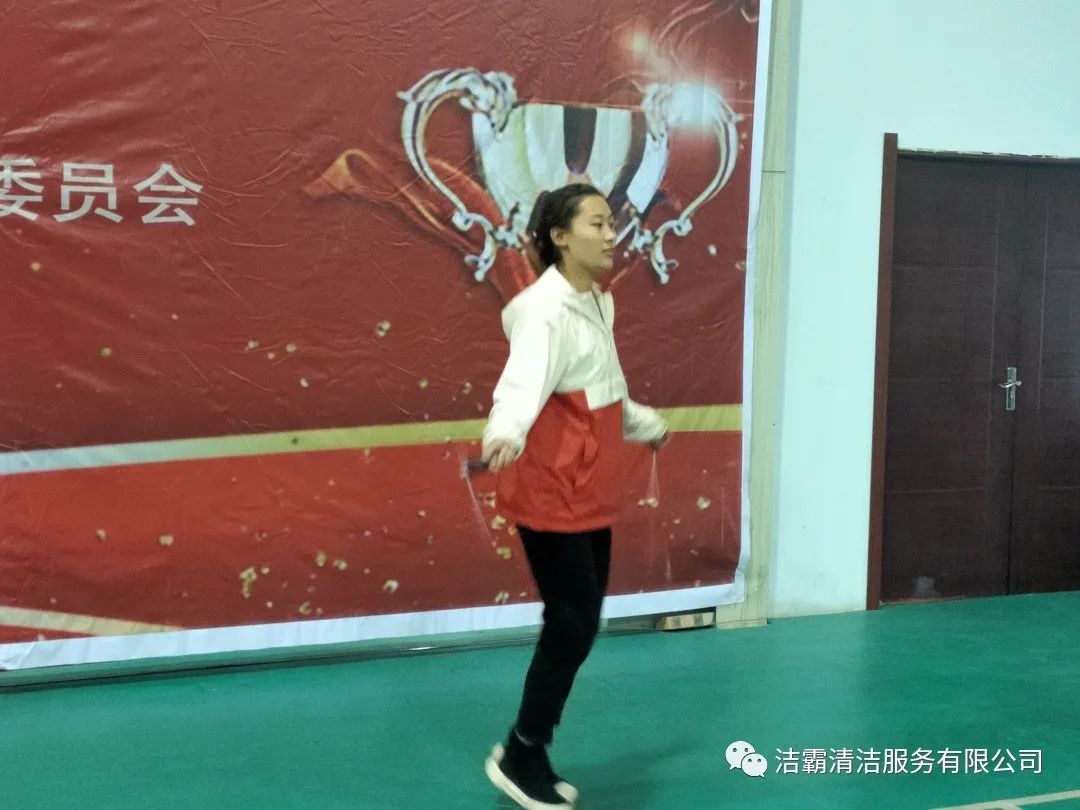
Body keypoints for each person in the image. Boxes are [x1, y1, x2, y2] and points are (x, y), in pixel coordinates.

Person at [481, 183, 669, 809]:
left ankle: (527, 748)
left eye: (611, 222)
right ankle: (522, 751)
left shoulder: (596, 302)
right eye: (597, 223)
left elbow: (603, 388)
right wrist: (504, 432)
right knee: (570, 623)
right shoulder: (544, 312)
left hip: (588, 487)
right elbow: (521, 385)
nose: (612, 233)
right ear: (560, 237)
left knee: (580, 623)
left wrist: (644, 424)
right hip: (549, 488)